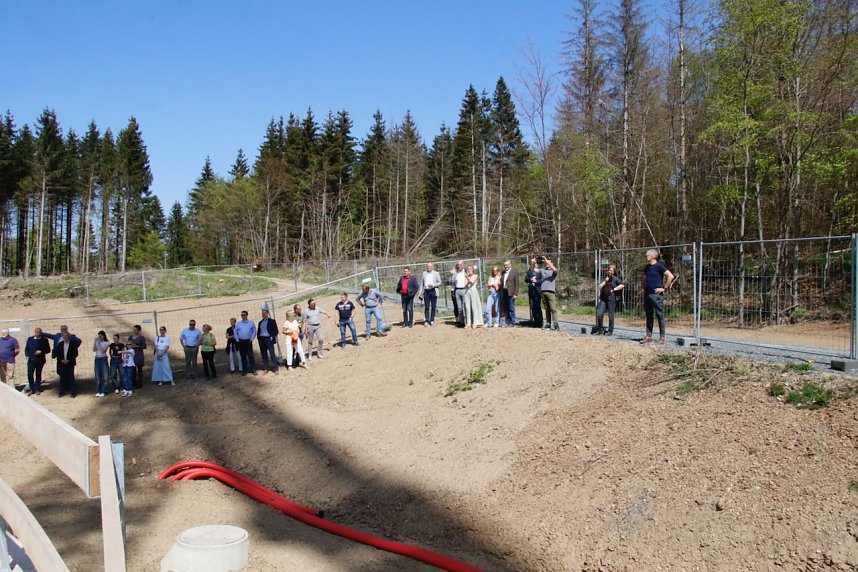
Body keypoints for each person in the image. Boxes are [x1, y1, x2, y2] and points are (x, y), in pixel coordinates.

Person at [641, 249, 675, 344]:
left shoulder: (659, 266)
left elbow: (670, 276)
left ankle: (662, 337)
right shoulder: (647, 267)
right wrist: (643, 287)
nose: (646, 257)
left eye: (647, 255)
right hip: (647, 294)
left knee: (659, 315)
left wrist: (664, 288)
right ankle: (648, 336)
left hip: (656, 295)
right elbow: (644, 278)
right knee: (649, 315)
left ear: (652, 256)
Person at [596, 265, 625, 335]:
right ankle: (600, 330)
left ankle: (610, 331)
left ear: (614, 271)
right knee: (599, 314)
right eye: (609, 270)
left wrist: (614, 289)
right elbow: (599, 286)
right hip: (603, 299)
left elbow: (622, 285)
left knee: (610, 315)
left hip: (611, 299)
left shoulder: (615, 279)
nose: (609, 271)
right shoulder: (606, 279)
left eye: (611, 270)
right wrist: (605, 281)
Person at [24, 328, 51, 395]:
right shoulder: (30, 339)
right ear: (35, 332)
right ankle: (32, 388)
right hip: (31, 360)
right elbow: (27, 349)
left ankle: (37, 388)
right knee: (30, 374)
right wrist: (27, 355)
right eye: (37, 332)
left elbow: (48, 350)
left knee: (38, 374)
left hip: (40, 360)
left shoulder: (44, 340)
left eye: (39, 332)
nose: (38, 333)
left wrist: (41, 351)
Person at [52, 330, 78, 398]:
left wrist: (69, 360)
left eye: (66, 336)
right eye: (64, 336)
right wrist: (61, 360)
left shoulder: (73, 344)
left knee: (71, 378)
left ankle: (73, 392)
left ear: (69, 336)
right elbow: (58, 354)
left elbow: (75, 354)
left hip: (70, 364)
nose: (65, 337)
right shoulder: (60, 344)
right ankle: (61, 391)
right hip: (62, 364)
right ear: (62, 337)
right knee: (62, 378)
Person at [234, 310, 258, 375]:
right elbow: (235, 332)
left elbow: (254, 331)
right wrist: (237, 340)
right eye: (241, 315)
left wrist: (251, 339)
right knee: (243, 356)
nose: (242, 316)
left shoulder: (251, 323)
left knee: (250, 355)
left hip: (248, 341)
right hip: (241, 341)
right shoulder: (238, 323)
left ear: (247, 315)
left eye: (244, 315)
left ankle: (253, 369)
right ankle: (245, 370)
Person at [257, 307, 279, 374]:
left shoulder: (272, 321)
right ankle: (266, 368)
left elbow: (276, 331)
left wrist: (272, 337)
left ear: (267, 313)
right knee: (264, 355)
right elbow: (259, 331)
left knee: (272, 354)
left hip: (269, 339)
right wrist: (259, 338)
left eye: (264, 313)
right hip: (262, 339)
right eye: (262, 313)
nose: (263, 314)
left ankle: (276, 368)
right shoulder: (260, 322)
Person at [540, 257, 560, 331]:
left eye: (549, 262)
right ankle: (548, 324)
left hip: (550, 292)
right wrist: (533, 262)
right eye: (546, 262)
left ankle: (556, 324)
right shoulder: (543, 270)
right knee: (547, 309)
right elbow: (533, 269)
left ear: (552, 263)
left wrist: (546, 261)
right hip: (543, 291)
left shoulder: (553, 271)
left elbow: (555, 270)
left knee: (553, 309)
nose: (547, 263)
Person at [500, 260, 520, 327]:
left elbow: (517, 284)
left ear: (510, 265)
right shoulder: (503, 273)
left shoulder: (514, 272)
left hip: (511, 292)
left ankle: (512, 322)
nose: (506, 266)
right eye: (505, 265)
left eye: (507, 265)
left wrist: (516, 293)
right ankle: (507, 322)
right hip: (504, 292)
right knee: (506, 308)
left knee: (511, 308)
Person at [525, 258, 543, 328]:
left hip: (537, 291)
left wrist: (537, 281)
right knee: (532, 307)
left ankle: (540, 322)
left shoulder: (540, 271)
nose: (533, 264)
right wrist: (530, 279)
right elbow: (526, 279)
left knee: (537, 307)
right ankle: (535, 322)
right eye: (532, 263)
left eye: (534, 263)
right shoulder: (529, 271)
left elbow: (543, 280)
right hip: (531, 291)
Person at [93, 330, 111, 397]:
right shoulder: (97, 342)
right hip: (97, 359)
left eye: (101, 336)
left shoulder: (107, 343)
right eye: (99, 336)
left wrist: (99, 343)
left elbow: (103, 351)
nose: (99, 337)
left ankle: (104, 390)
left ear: (103, 336)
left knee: (105, 376)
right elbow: (94, 349)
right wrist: (95, 342)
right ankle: (98, 391)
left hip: (103, 359)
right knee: (98, 376)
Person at [129, 325, 147, 389]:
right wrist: (130, 346)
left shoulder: (142, 338)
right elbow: (127, 345)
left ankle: (139, 383)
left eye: (136, 329)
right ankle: (133, 382)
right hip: (132, 355)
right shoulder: (130, 337)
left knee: (139, 369)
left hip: (139, 354)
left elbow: (144, 346)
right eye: (134, 329)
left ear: (139, 330)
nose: (134, 331)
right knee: (133, 370)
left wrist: (137, 346)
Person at [451, 261, 467, 327]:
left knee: (465, 306)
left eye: (460, 265)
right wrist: (454, 281)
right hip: (457, 290)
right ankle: (461, 322)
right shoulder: (455, 273)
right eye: (458, 265)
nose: (459, 266)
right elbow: (451, 281)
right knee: (459, 307)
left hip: (464, 290)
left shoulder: (466, 272)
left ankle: (467, 321)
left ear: (463, 265)